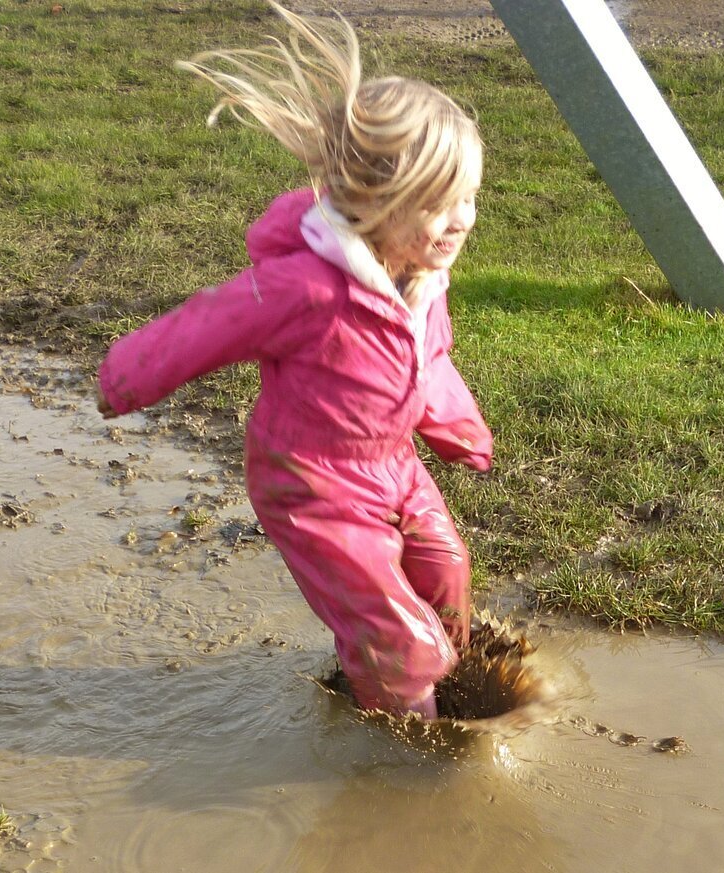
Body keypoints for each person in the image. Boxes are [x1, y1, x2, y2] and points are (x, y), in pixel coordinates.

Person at [95, 1, 492, 719]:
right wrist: (125, 376)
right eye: (440, 203)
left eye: (468, 198)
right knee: (402, 639)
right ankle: (402, 730)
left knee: (447, 568)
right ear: (375, 202)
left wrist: (461, 429)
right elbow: (205, 325)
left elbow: (429, 359)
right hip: (311, 482)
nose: (461, 219)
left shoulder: (422, 277)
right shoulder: (304, 289)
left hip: (388, 463)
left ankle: (428, 674)